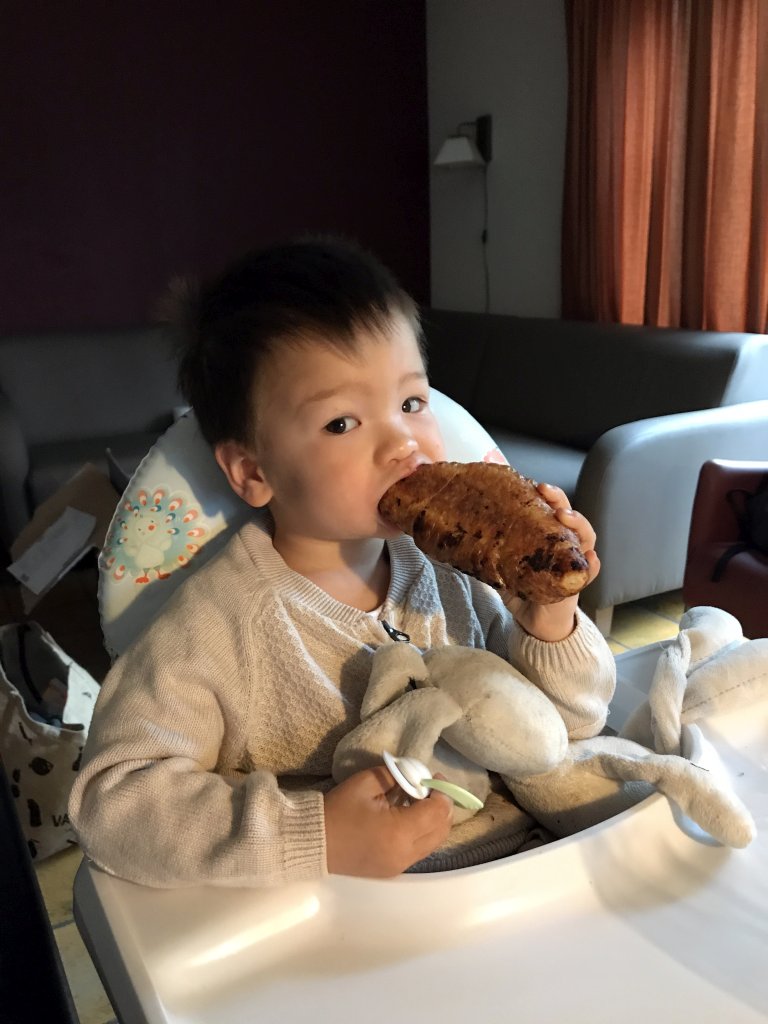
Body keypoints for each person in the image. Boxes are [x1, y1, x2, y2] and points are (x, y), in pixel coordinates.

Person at [68, 237, 616, 887]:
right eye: (341, 423)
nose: (404, 443)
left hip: (531, 878)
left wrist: (550, 617)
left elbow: (570, 727)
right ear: (253, 471)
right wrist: (315, 835)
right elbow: (113, 805)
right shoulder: (217, 624)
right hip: (364, 919)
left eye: (412, 402)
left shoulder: (456, 575)